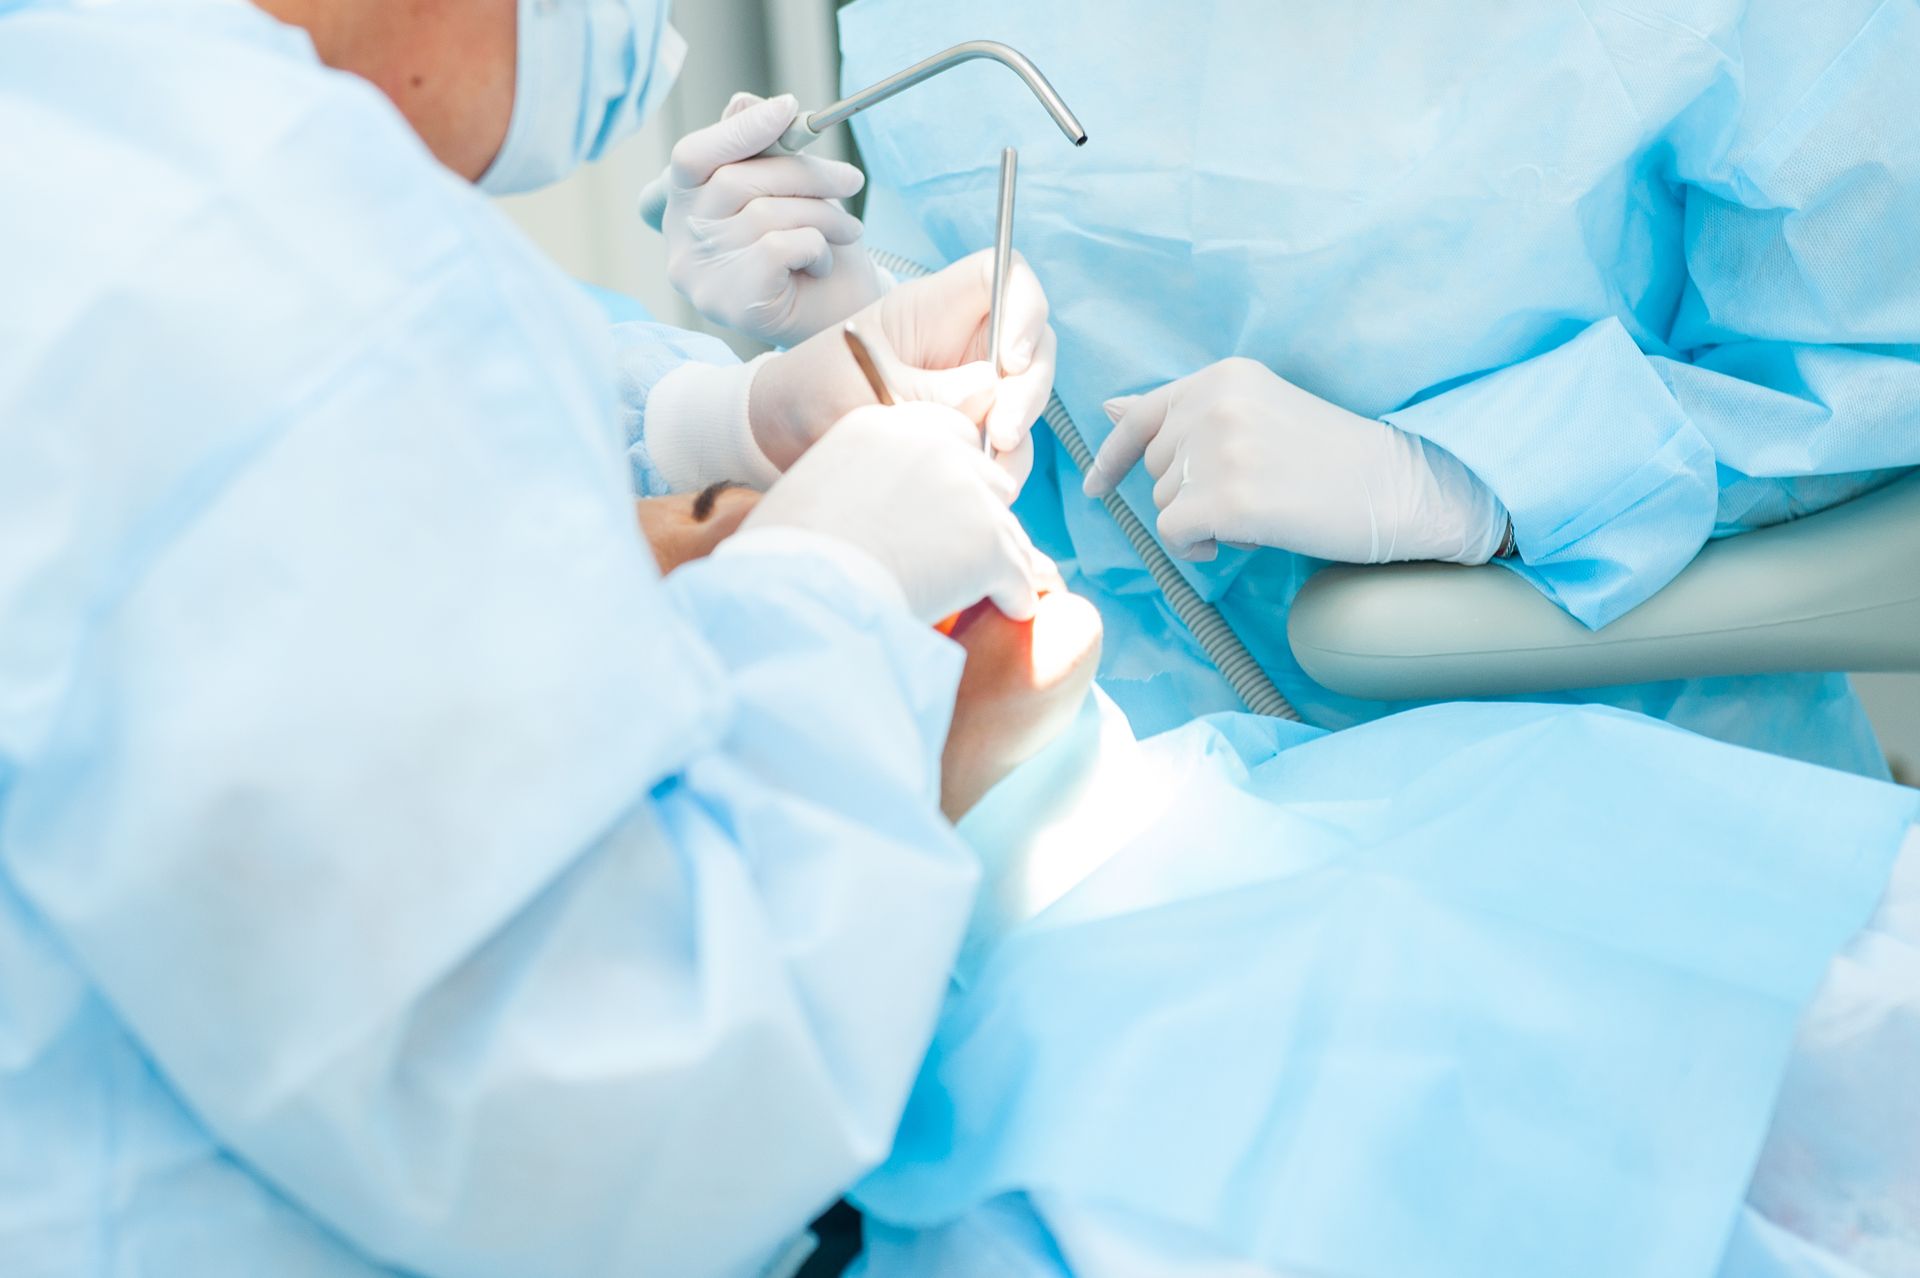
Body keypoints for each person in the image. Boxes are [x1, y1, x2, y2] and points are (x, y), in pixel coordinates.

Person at [0, 0, 1082, 1273]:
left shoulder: (91, 135)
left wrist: (715, 426)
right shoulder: (241, 233)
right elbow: (612, 1108)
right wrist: (835, 615)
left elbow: (397, 472)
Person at [658, 0, 1920, 772]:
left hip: (1630, 779)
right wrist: (868, 317)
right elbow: (1029, 360)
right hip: (1131, 789)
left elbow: (1859, 371)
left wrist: (1468, 482)